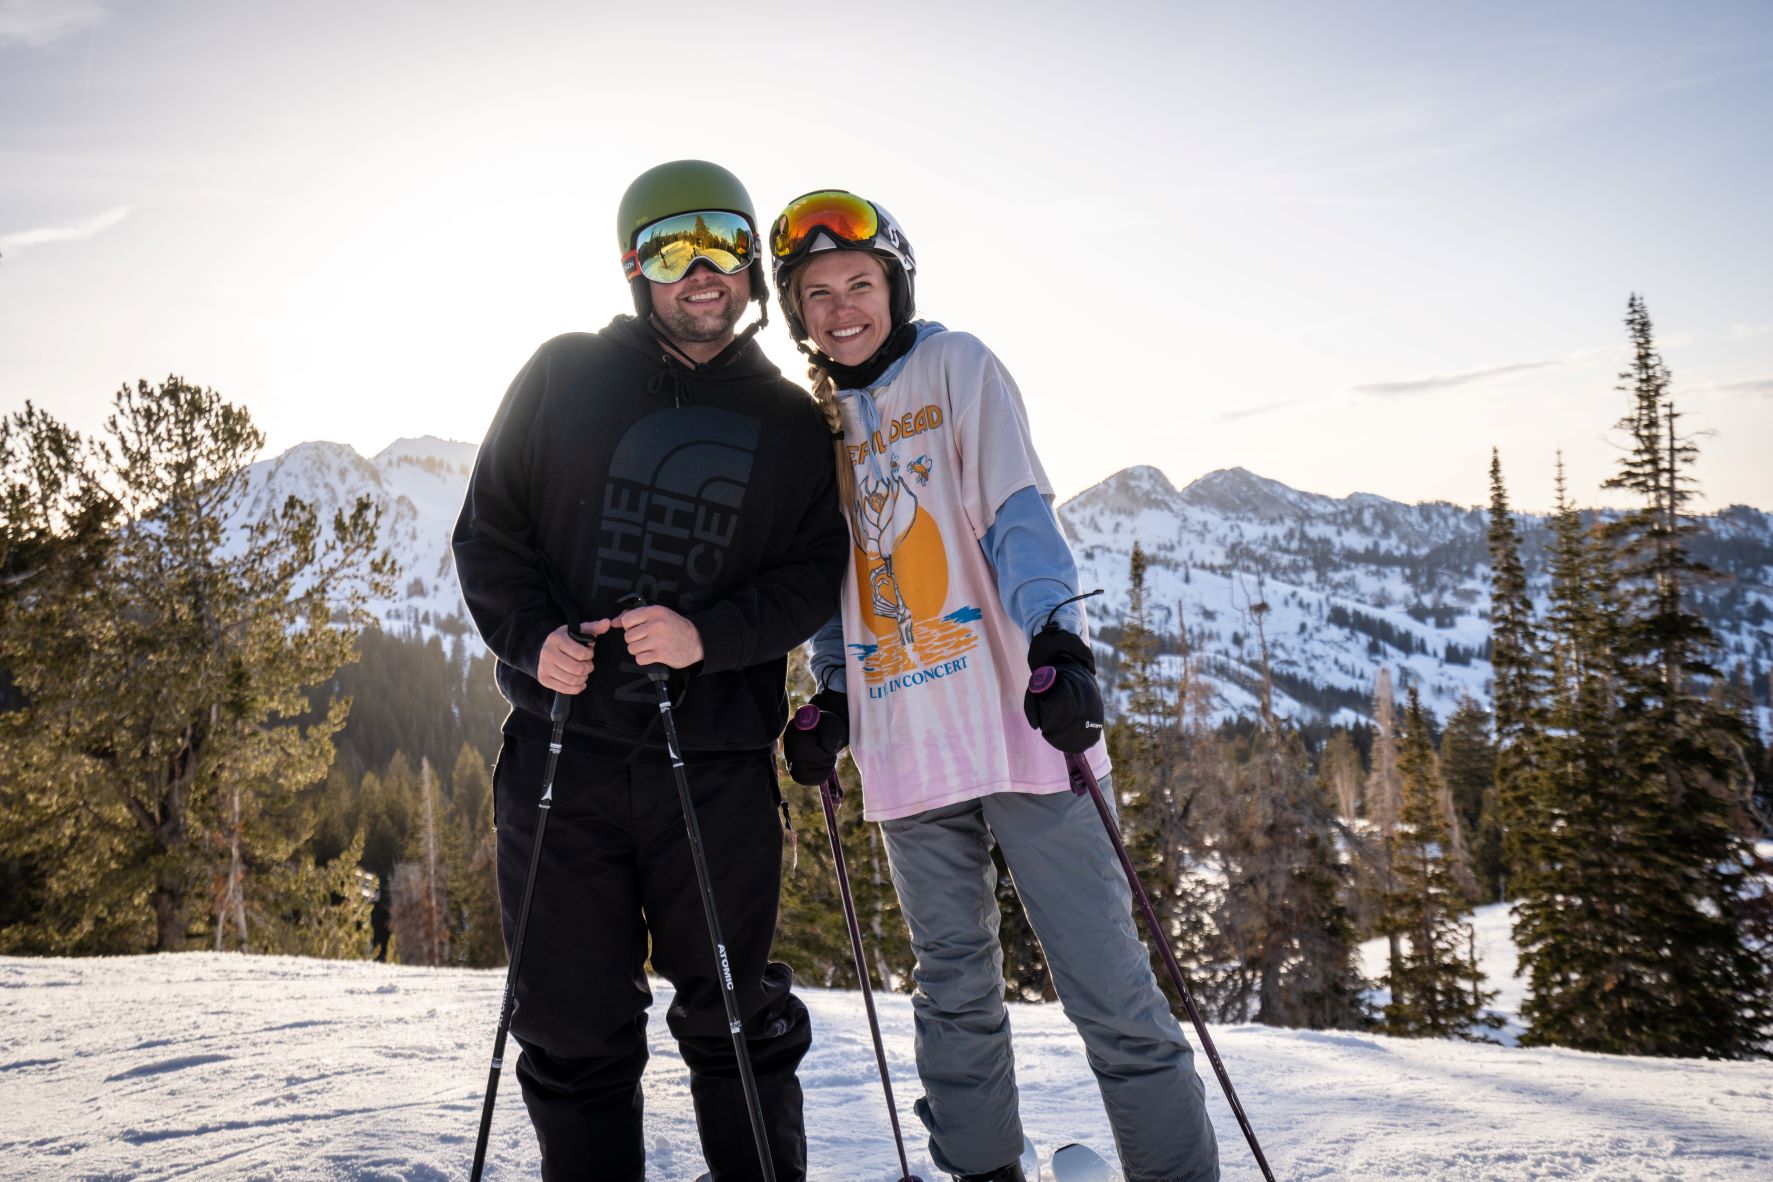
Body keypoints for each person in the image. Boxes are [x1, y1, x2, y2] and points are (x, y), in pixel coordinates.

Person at [772, 191, 1221, 1182]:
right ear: (797, 311)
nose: (843, 306)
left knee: (1109, 985)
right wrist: (833, 696)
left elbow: (1019, 513)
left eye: (860, 283)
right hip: (905, 743)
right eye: (819, 293)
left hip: (1020, 722)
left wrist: (1060, 636)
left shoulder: (957, 367)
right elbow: (826, 575)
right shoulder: (806, 426)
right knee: (953, 991)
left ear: (895, 286)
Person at [452, 161, 848, 1182]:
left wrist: (707, 635)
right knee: (572, 1025)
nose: (703, 270)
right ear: (636, 268)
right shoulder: (561, 375)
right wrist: (531, 639)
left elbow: (815, 574)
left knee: (733, 1014)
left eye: (722, 241)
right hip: (561, 759)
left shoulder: (793, 422)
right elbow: (490, 533)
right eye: (674, 248)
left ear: (752, 263)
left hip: (713, 767)